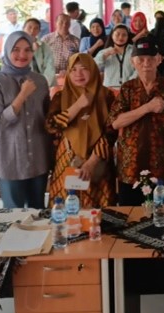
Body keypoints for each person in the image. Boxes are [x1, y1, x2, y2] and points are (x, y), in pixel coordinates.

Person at [108, 40, 164, 204]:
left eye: (151, 58)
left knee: (161, 221)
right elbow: (115, 122)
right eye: (141, 59)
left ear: (159, 60)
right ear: (132, 62)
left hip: (162, 168)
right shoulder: (128, 88)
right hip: (129, 169)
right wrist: (147, 108)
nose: (146, 63)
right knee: (129, 219)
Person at [0, 32, 52, 209]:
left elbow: (47, 118)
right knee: (14, 214)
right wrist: (22, 95)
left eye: (27, 50)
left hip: (38, 157)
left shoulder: (40, 81)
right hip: (10, 158)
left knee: (38, 211)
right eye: (16, 49)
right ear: (7, 50)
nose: (22, 55)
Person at [45, 54, 116, 208]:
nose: (78, 74)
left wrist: (91, 163)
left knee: (98, 212)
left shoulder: (106, 96)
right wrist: (78, 105)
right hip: (67, 158)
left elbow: (111, 131)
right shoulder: (60, 96)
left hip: (98, 159)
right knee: (65, 208)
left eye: (84, 69)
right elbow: (51, 126)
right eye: (74, 70)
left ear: (93, 70)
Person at [95, 24, 135, 88]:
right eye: (117, 34)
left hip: (130, 87)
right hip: (109, 88)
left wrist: (129, 83)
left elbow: (139, 69)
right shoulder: (104, 52)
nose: (120, 37)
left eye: (124, 35)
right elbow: (94, 66)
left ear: (128, 37)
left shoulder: (134, 51)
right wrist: (106, 55)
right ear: (112, 35)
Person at [24, 18, 56, 87]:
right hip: (24, 84)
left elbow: (50, 66)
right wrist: (31, 51)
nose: (32, 31)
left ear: (39, 31)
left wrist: (44, 83)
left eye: (36, 28)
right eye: (29, 27)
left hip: (44, 83)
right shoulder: (17, 46)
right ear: (23, 29)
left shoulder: (44, 46)